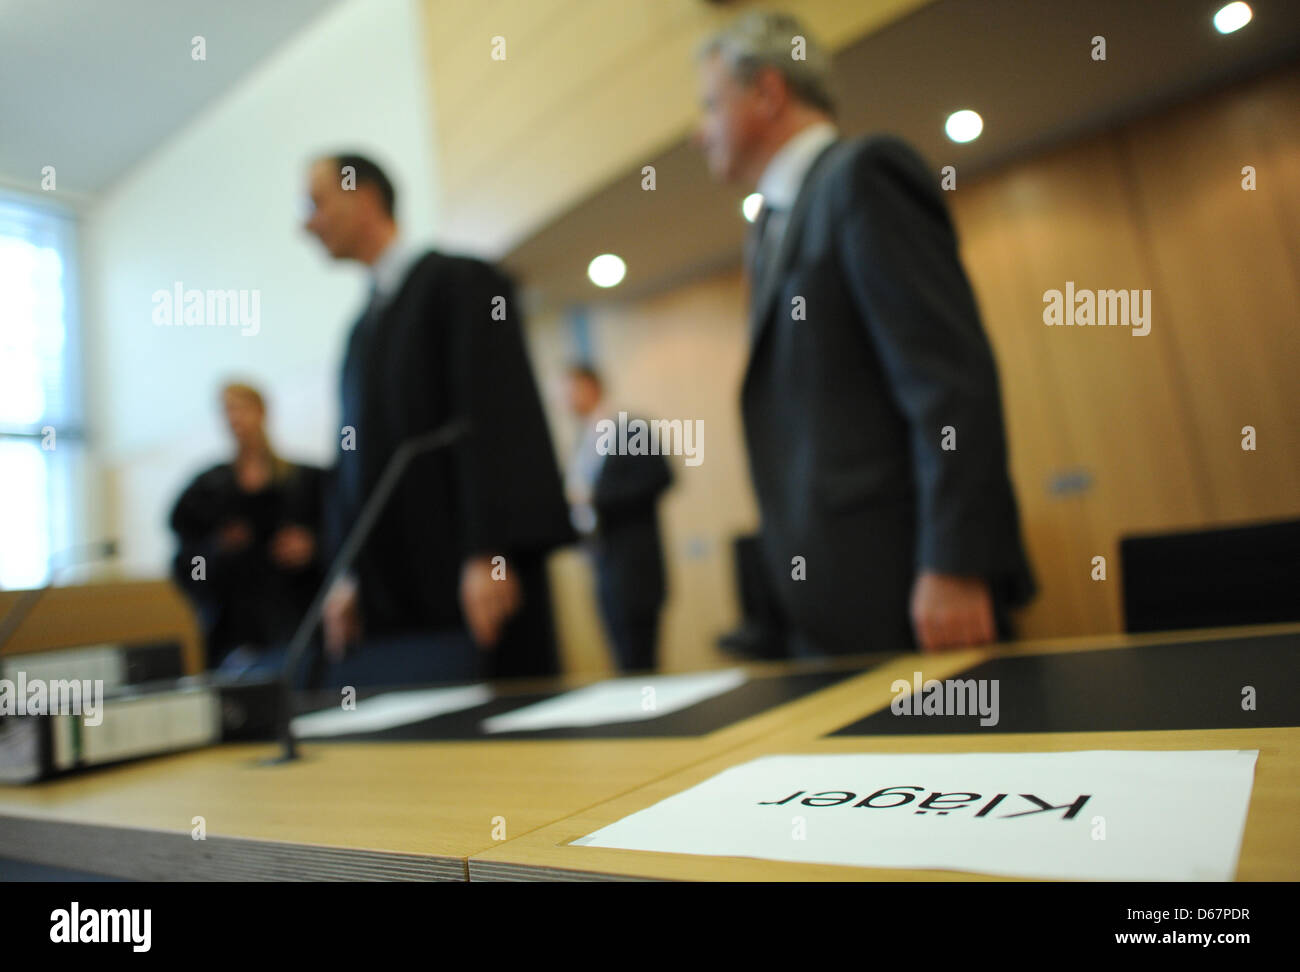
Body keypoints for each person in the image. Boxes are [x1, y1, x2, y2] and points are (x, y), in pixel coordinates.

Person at [693, 12, 1036, 656]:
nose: (698, 130)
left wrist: (953, 564)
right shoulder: (770, 226)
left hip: (908, 593)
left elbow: (948, 383)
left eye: (710, 105)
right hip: (830, 607)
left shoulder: (861, 177)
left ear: (767, 92)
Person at [303, 152, 573, 682]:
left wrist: (488, 551)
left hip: (470, 583)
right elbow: (354, 462)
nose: (305, 223)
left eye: (316, 203)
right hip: (391, 602)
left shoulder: (461, 284)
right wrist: (348, 574)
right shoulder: (360, 332)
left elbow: (499, 421)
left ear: (364, 197)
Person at [169, 382, 325, 674]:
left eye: (241, 407)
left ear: (262, 411)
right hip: (232, 634)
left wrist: (312, 547)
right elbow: (187, 565)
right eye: (227, 410)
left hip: (299, 622)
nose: (235, 418)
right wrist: (217, 550)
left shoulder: (305, 482)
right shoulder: (206, 491)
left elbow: (341, 540)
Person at [564, 364, 672, 672]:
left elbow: (660, 478)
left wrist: (593, 498)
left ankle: (653, 718)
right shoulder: (585, 439)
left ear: (592, 387)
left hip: (635, 566)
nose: (565, 400)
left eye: (570, 390)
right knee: (621, 657)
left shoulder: (629, 428)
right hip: (602, 561)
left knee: (641, 659)